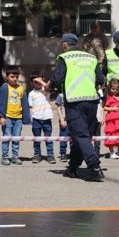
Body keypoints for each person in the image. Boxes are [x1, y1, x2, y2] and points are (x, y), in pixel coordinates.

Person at [38, 33, 105, 181]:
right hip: (92, 101)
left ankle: (94, 167)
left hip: (75, 103)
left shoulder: (65, 58)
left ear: (64, 45)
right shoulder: (91, 58)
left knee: (80, 136)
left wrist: (49, 86)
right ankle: (73, 167)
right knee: (81, 136)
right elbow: (101, 79)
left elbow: (57, 79)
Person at [0, 66, 31, 165]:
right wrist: (2, 116)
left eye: (16, 76)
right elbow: (0, 102)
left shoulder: (21, 88)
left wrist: (26, 118)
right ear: (7, 77)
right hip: (7, 117)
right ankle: (5, 157)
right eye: (12, 76)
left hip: (18, 118)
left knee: (16, 138)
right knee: (7, 137)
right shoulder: (4, 87)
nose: (15, 78)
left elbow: (24, 103)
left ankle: (15, 156)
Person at [29, 71, 56, 164]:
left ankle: (50, 155)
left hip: (47, 118)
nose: (37, 83)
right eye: (35, 81)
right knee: (37, 139)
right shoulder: (31, 94)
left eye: (39, 81)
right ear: (32, 83)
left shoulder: (45, 90)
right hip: (36, 119)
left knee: (48, 138)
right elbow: (30, 106)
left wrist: (41, 81)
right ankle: (37, 155)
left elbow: (49, 87)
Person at [103, 78, 119, 159]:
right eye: (113, 89)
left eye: (117, 89)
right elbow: (104, 108)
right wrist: (112, 109)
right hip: (112, 120)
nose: (114, 90)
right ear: (110, 88)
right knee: (111, 134)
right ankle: (111, 152)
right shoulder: (109, 97)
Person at [54, 93, 70, 162]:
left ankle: (74, 154)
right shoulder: (61, 96)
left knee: (74, 139)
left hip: (74, 120)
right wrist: (62, 119)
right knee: (63, 138)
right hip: (64, 120)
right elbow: (58, 108)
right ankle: (63, 154)